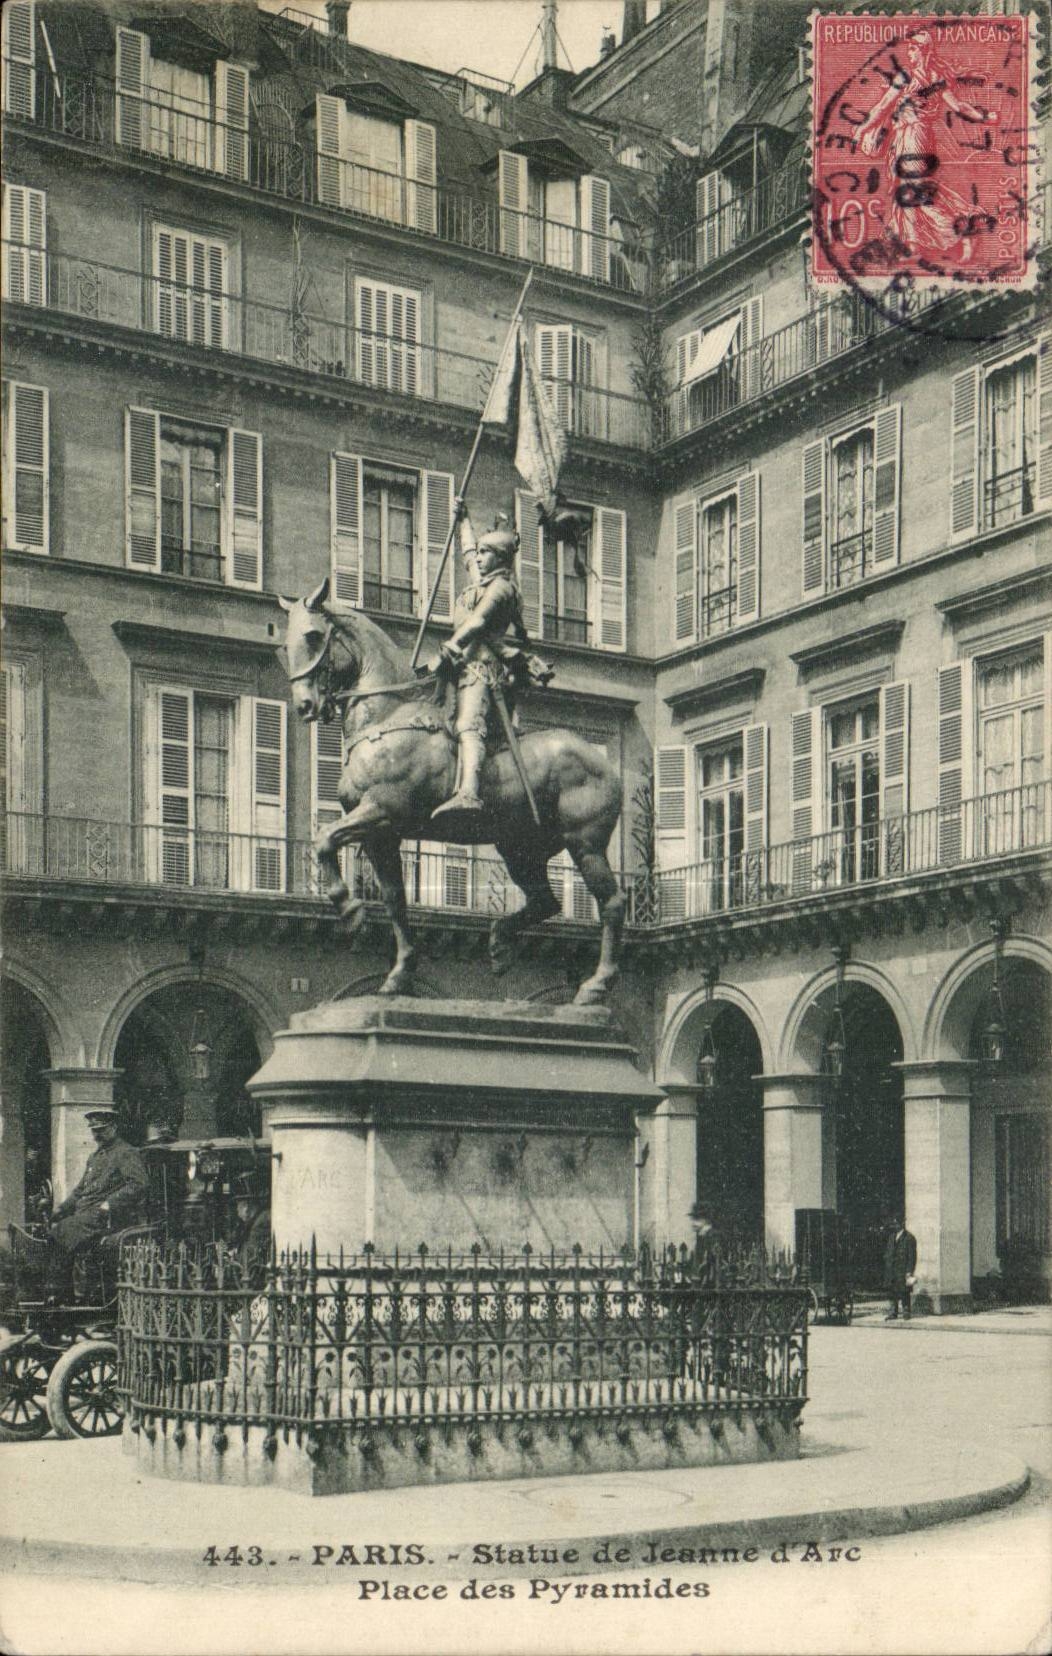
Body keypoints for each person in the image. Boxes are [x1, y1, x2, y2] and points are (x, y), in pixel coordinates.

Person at [430, 500, 547, 826]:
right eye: (480, 553)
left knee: (469, 725)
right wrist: (463, 519)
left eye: (485, 553)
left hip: (483, 671)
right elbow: (467, 554)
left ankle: (469, 792)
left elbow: (479, 623)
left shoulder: (502, 588)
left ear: (501, 558)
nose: (478, 558)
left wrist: (452, 644)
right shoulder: (481, 579)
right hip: (460, 669)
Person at [854, 30, 1000, 265]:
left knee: (915, 190)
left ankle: (964, 229)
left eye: (913, 48)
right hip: (905, 137)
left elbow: (958, 106)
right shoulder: (929, 78)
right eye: (909, 48)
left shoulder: (915, 78)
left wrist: (862, 129)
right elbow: (883, 107)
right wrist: (984, 117)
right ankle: (914, 245)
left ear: (924, 51)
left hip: (916, 135)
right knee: (907, 191)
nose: (909, 52)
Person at [45, 1108, 147, 1303]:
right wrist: (60, 1209)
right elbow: (80, 1190)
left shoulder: (126, 1153)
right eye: (94, 1131)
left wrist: (110, 1203)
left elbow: (139, 1184)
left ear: (114, 1127)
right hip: (86, 1214)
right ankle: (62, 1295)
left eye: (101, 1129)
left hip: (106, 1216)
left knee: (62, 1232)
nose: (96, 1135)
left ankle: (60, 1295)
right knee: (54, 1231)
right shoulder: (95, 1157)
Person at [883, 1216, 918, 1321]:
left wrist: (909, 1271)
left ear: (902, 1224)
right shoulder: (891, 1237)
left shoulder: (909, 1238)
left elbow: (912, 1256)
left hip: (902, 1269)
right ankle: (893, 1312)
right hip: (891, 1270)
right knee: (892, 1291)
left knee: (904, 1291)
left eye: (897, 1223)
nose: (895, 1225)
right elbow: (888, 1252)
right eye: (894, 1223)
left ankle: (906, 1312)